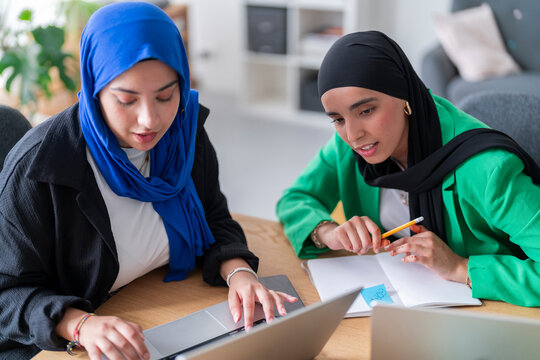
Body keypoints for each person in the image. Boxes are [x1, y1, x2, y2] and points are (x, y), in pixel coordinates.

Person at [0, 3, 296, 359]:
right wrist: (81, 325)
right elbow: (7, 295)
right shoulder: (40, 167)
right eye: (126, 100)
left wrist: (241, 276)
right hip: (67, 343)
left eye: (166, 96)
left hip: (160, 302)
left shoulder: (183, 133)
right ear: (95, 89)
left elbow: (213, 216)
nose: (149, 120)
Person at [276, 31, 540, 307]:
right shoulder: (349, 147)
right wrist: (328, 231)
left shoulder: (489, 170)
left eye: (366, 111)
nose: (353, 135)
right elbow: (295, 199)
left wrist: (462, 268)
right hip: (399, 303)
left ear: (403, 96)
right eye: (338, 119)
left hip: (495, 312)